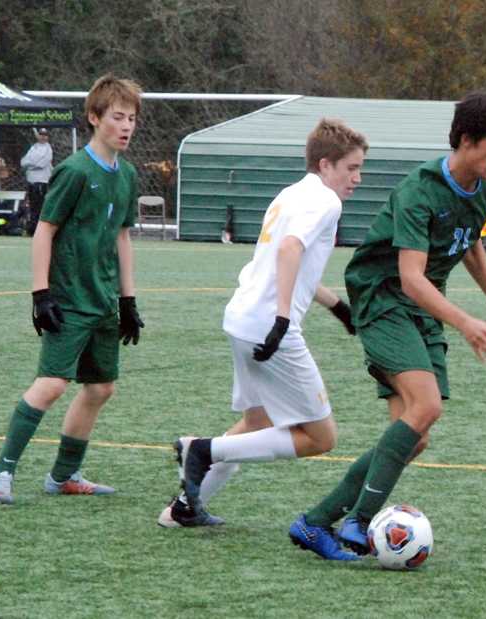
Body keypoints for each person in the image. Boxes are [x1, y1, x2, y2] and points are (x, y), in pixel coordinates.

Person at [287, 92, 486, 560]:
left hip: (424, 305)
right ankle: (360, 523)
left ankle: (314, 522)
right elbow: (409, 277)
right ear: (467, 140)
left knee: (414, 435)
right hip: (383, 296)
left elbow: (469, 242)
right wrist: (466, 321)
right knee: (426, 405)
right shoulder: (418, 191)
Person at [163, 120, 368, 549]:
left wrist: (336, 307)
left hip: (241, 318)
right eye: (351, 168)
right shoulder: (326, 203)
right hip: (267, 328)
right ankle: (201, 449)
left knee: (258, 421)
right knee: (321, 437)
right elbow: (291, 250)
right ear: (325, 164)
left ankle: (183, 507)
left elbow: (283, 258)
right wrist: (281, 321)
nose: (357, 178)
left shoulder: (290, 193)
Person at [0, 75, 145, 505]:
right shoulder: (74, 171)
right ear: (94, 118)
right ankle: (1, 473)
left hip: (104, 300)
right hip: (69, 299)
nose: (126, 126)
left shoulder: (127, 174)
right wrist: (41, 294)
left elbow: (122, 238)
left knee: (101, 387)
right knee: (52, 383)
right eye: (117, 117)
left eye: (131, 118)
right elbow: (44, 230)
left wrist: (128, 301)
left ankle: (64, 475)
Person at [21, 127, 54, 236]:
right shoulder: (33, 148)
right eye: (41, 134)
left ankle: (41, 231)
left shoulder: (48, 149)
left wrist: (30, 164)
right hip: (31, 182)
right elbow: (23, 162)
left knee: (40, 207)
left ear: (48, 137)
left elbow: (42, 164)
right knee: (33, 207)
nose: (43, 136)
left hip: (42, 182)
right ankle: (33, 230)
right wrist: (32, 163)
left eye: (45, 135)